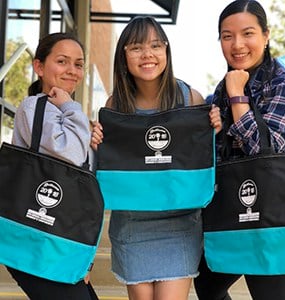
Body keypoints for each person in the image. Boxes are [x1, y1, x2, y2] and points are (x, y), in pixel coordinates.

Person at [92, 16, 221, 300]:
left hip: (181, 221)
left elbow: (204, 156)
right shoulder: (115, 105)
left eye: (155, 45)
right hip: (131, 222)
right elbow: (108, 161)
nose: (147, 54)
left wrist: (214, 127)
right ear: (123, 55)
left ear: (166, 51)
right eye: (136, 47)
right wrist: (95, 142)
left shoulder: (190, 98)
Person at [193, 1, 285, 300]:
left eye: (247, 33)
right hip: (228, 211)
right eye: (227, 36)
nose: (237, 45)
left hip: (270, 215)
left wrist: (238, 98)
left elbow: (265, 153)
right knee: (207, 285)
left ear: (265, 36)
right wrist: (213, 132)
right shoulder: (221, 88)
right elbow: (215, 153)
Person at [7, 32, 98, 300]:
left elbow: (84, 190)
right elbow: (68, 153)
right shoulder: (34, 106)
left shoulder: (66, 112)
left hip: (57, 243)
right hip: (34, 242)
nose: (72, 71)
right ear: (39, 67)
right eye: (62, 61)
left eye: (78, 64)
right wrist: (73, 109)